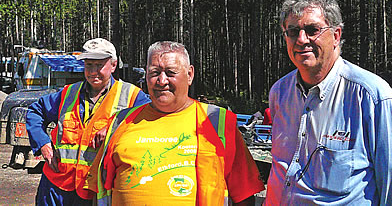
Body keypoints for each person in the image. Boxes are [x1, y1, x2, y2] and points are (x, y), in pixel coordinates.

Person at [264, 0, 392, 205]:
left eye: (312, 30)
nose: (301, 40)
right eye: (292, 31)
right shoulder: (279, 93)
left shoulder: (371, 97)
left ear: (336, 35)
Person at [86, 41, 265, 205]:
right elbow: (99, 188)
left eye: (170, 73)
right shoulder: (120, 121)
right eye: (155, 73)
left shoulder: (217, 121)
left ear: (189, 75)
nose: (162, 81)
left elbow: (244, 195)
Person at [26, 38, 151, 205]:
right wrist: (43, 144)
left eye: (99, 65)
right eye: (88, 65)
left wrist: (115, 129)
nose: (93, 72)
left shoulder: (132, 96)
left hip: (94, 190)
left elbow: (152, 122)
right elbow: (35, 112)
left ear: (113, 65)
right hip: (55, 187)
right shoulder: (68, 93)